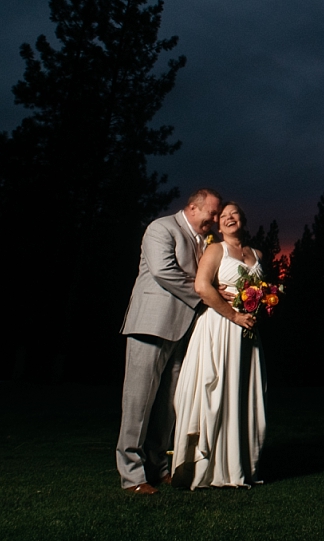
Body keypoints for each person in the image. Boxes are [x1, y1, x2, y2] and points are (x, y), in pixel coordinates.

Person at [116, 187, 233, 495]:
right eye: (213, 212)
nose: (216, 218)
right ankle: (132, 476)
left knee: (168, 406)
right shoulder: (161, 228)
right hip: (151, 326)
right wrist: (208, 296)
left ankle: (158, 468)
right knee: (138, 403)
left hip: (183, 332)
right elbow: (163, 271)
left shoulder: (204, 241)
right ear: (193, 208)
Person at [172, 200, 267, 489]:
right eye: (222, 216)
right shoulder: (215, 250)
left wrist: (258, 308)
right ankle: (210, 468)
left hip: (248, 334)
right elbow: (202, 287)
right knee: (217, 391)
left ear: (243, 219)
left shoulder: (257, 253)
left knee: (243, 394)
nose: (227, 218)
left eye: (233, 213)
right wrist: (235, 315)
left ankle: (239, 465)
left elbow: (262, 292)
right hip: (219, 328)